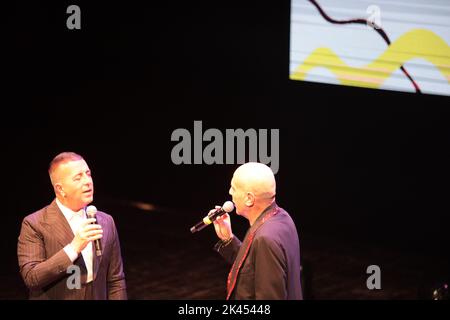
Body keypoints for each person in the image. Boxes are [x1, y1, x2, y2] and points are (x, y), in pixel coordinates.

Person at [17, 152, 127, 299]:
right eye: (78, 178)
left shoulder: (106, 221)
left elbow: (115, 280)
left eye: (88, 174)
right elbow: (32, 277)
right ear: (60, 189)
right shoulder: (34, 224)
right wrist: (74, 247)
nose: (88, 181)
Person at [212, 162, 302, 300]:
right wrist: (228, 239)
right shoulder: (282, 217)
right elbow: (252, 268)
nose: (230, 192)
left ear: (249, 199)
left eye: (234, 188)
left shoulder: (265, 238)